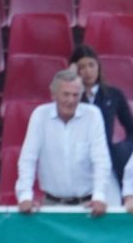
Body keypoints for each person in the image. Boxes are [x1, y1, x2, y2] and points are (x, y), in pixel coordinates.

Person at [15, 69, 112, 217]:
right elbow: (28, 158)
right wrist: (25, 196)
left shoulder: (93, 115)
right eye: (66, 94)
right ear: (53, 95)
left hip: (87, 205)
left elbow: (101, 159)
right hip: (51, 204)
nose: (71, 100)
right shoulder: (40, 115)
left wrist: (99, 196)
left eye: (76, 95)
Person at [70, 44, 133, 186]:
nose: (87, 71)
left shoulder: (114, 95)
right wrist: (71, 82)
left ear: (98, 67)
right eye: (81, 67)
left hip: (107, 161)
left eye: (91, 65)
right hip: (75, 162)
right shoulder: (70, 97)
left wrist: (120, 151)